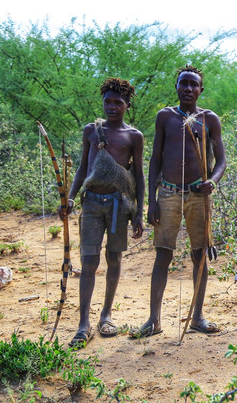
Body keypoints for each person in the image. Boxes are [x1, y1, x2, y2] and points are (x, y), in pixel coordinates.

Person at [132, 65, 226, 337]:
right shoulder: (166, 117)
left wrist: (213, 181)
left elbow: (221, 160)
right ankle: (154, 320)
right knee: (163, 254)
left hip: (199, 194)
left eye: (193, 84)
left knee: (199, 255)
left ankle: (197, 317)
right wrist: (152, 201)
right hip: (169, 193)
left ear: (201, 90)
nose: (187, 88)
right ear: (176, 87)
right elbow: (156, 159)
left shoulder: (209, 119)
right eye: (183, 83)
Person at [59, 77, 145, 349]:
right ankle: (83, 323)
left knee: (114, 259)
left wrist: (140, 213)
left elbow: (139, 176)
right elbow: (83, 168)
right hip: (92, 204)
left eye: (118, 102)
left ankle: (106, 314)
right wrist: (70, 197)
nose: (111, 106)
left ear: (127, 105)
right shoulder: (91, 131)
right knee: (89, 262)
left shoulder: (134, 136)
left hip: (120, 204)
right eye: (107, 101)